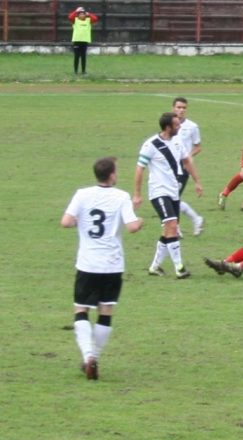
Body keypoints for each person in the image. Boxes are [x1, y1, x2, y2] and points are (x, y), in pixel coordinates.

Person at [62, 157, 144, 380]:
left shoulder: (82, 194)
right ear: (112, 175)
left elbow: (66, 222)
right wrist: (140, 219)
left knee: (81, 310)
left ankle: (87, 355)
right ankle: (94, 358)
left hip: (88, 263)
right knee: (105, 312)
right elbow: (132, 227)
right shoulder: (121, 197)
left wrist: (81, 221)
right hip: (112, 264)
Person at [133, 112, 203, 279]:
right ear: (167, 127)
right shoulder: (151, 145)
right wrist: (137, 194)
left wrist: (197, 181)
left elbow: (186, 161)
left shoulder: (178, 141)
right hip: (159, 192)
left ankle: (154, 267)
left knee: (168, 231)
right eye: (176, 125)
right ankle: (179, 267)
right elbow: (139, 169)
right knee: (172, 226)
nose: (179, 127)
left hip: (173, 191)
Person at [173, 97, 205, 236]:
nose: (181, 110)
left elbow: (198, 147)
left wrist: (189, 156)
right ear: (173, 108)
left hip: (183, 167)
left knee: (173, 198)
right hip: (170, 166)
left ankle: (177, 228)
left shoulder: (192, 127)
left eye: (184, 108)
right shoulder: (169, 124)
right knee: (173, 198)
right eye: (179, 107)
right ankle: (196, 219)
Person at [68, 6, 98, 75]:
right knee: (76, 56)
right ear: (78, 15)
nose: (82, 15)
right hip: (77, 41)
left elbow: (95, 19)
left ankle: (83, 71)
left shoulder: (88, 20)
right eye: (80, 14)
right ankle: (75, 71)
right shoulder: (75, 20)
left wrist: (89, 14)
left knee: (83, 57)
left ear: (85, 15)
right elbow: (70, 17)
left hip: (84, 41)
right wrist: (76, 10)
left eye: (83, 14)